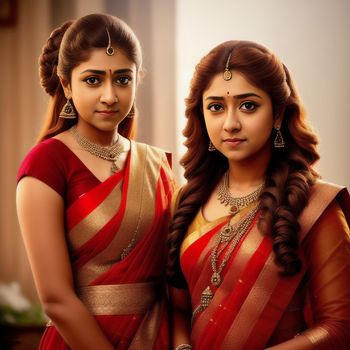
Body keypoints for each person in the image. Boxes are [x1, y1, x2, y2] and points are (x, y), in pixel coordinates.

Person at [167, 40, 350, 350]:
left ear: (278, 114)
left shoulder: (316, 208)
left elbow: (340, 327)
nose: (231, 123)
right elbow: (178, 309)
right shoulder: (187, 200)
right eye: (216, 107)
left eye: (248, 105)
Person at [16, 13, 175, 350]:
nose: (109, 95)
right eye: (93, 80)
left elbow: (175, 277)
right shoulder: (48, 163)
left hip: (157, 337)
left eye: (122, 79)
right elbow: (56, 300)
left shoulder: (158, 164)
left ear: (137, 80)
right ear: (67, 85)